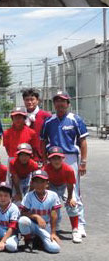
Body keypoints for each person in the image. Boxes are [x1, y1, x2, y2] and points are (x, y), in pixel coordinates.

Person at [40, 90, 88, 237]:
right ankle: (56, 223)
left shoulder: (75, 119)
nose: (60, 103)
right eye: (57, 101)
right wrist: (44, 159)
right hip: (53, 157)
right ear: (54, 103)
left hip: (71, 157)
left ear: (68, 103)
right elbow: (43, 141)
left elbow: (83, 141)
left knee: (73, 192)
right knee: (51, 192)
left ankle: (79, 225)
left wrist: (83, 162)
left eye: (63, 101)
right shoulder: (49, 121)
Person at [44, 146, 84, 244]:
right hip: (52, 186)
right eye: (53, 158)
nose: (56, 160)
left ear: (63, 158)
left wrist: (70, 198)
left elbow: (70, 185)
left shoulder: (68, 169)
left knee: (72, 205)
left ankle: (75, 230)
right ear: (49, 159)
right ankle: (55, 227)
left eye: (58, 158)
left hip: (65, 185)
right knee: (53, 207)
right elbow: (46, 185)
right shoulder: (46, 169)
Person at [18, 169, 62, 253]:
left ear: (47, 183)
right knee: (22, 220)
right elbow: (23, 212)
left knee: (55, 249)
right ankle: (28, 241)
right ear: (32, 183)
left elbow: (54, 214)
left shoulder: (53, 195)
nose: (39, 184)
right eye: (36, 182)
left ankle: (38, 240)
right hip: (32, 224)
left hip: (45, 226)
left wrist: (53, 232)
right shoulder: (29, 196)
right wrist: (36, 216)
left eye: (42, 182)